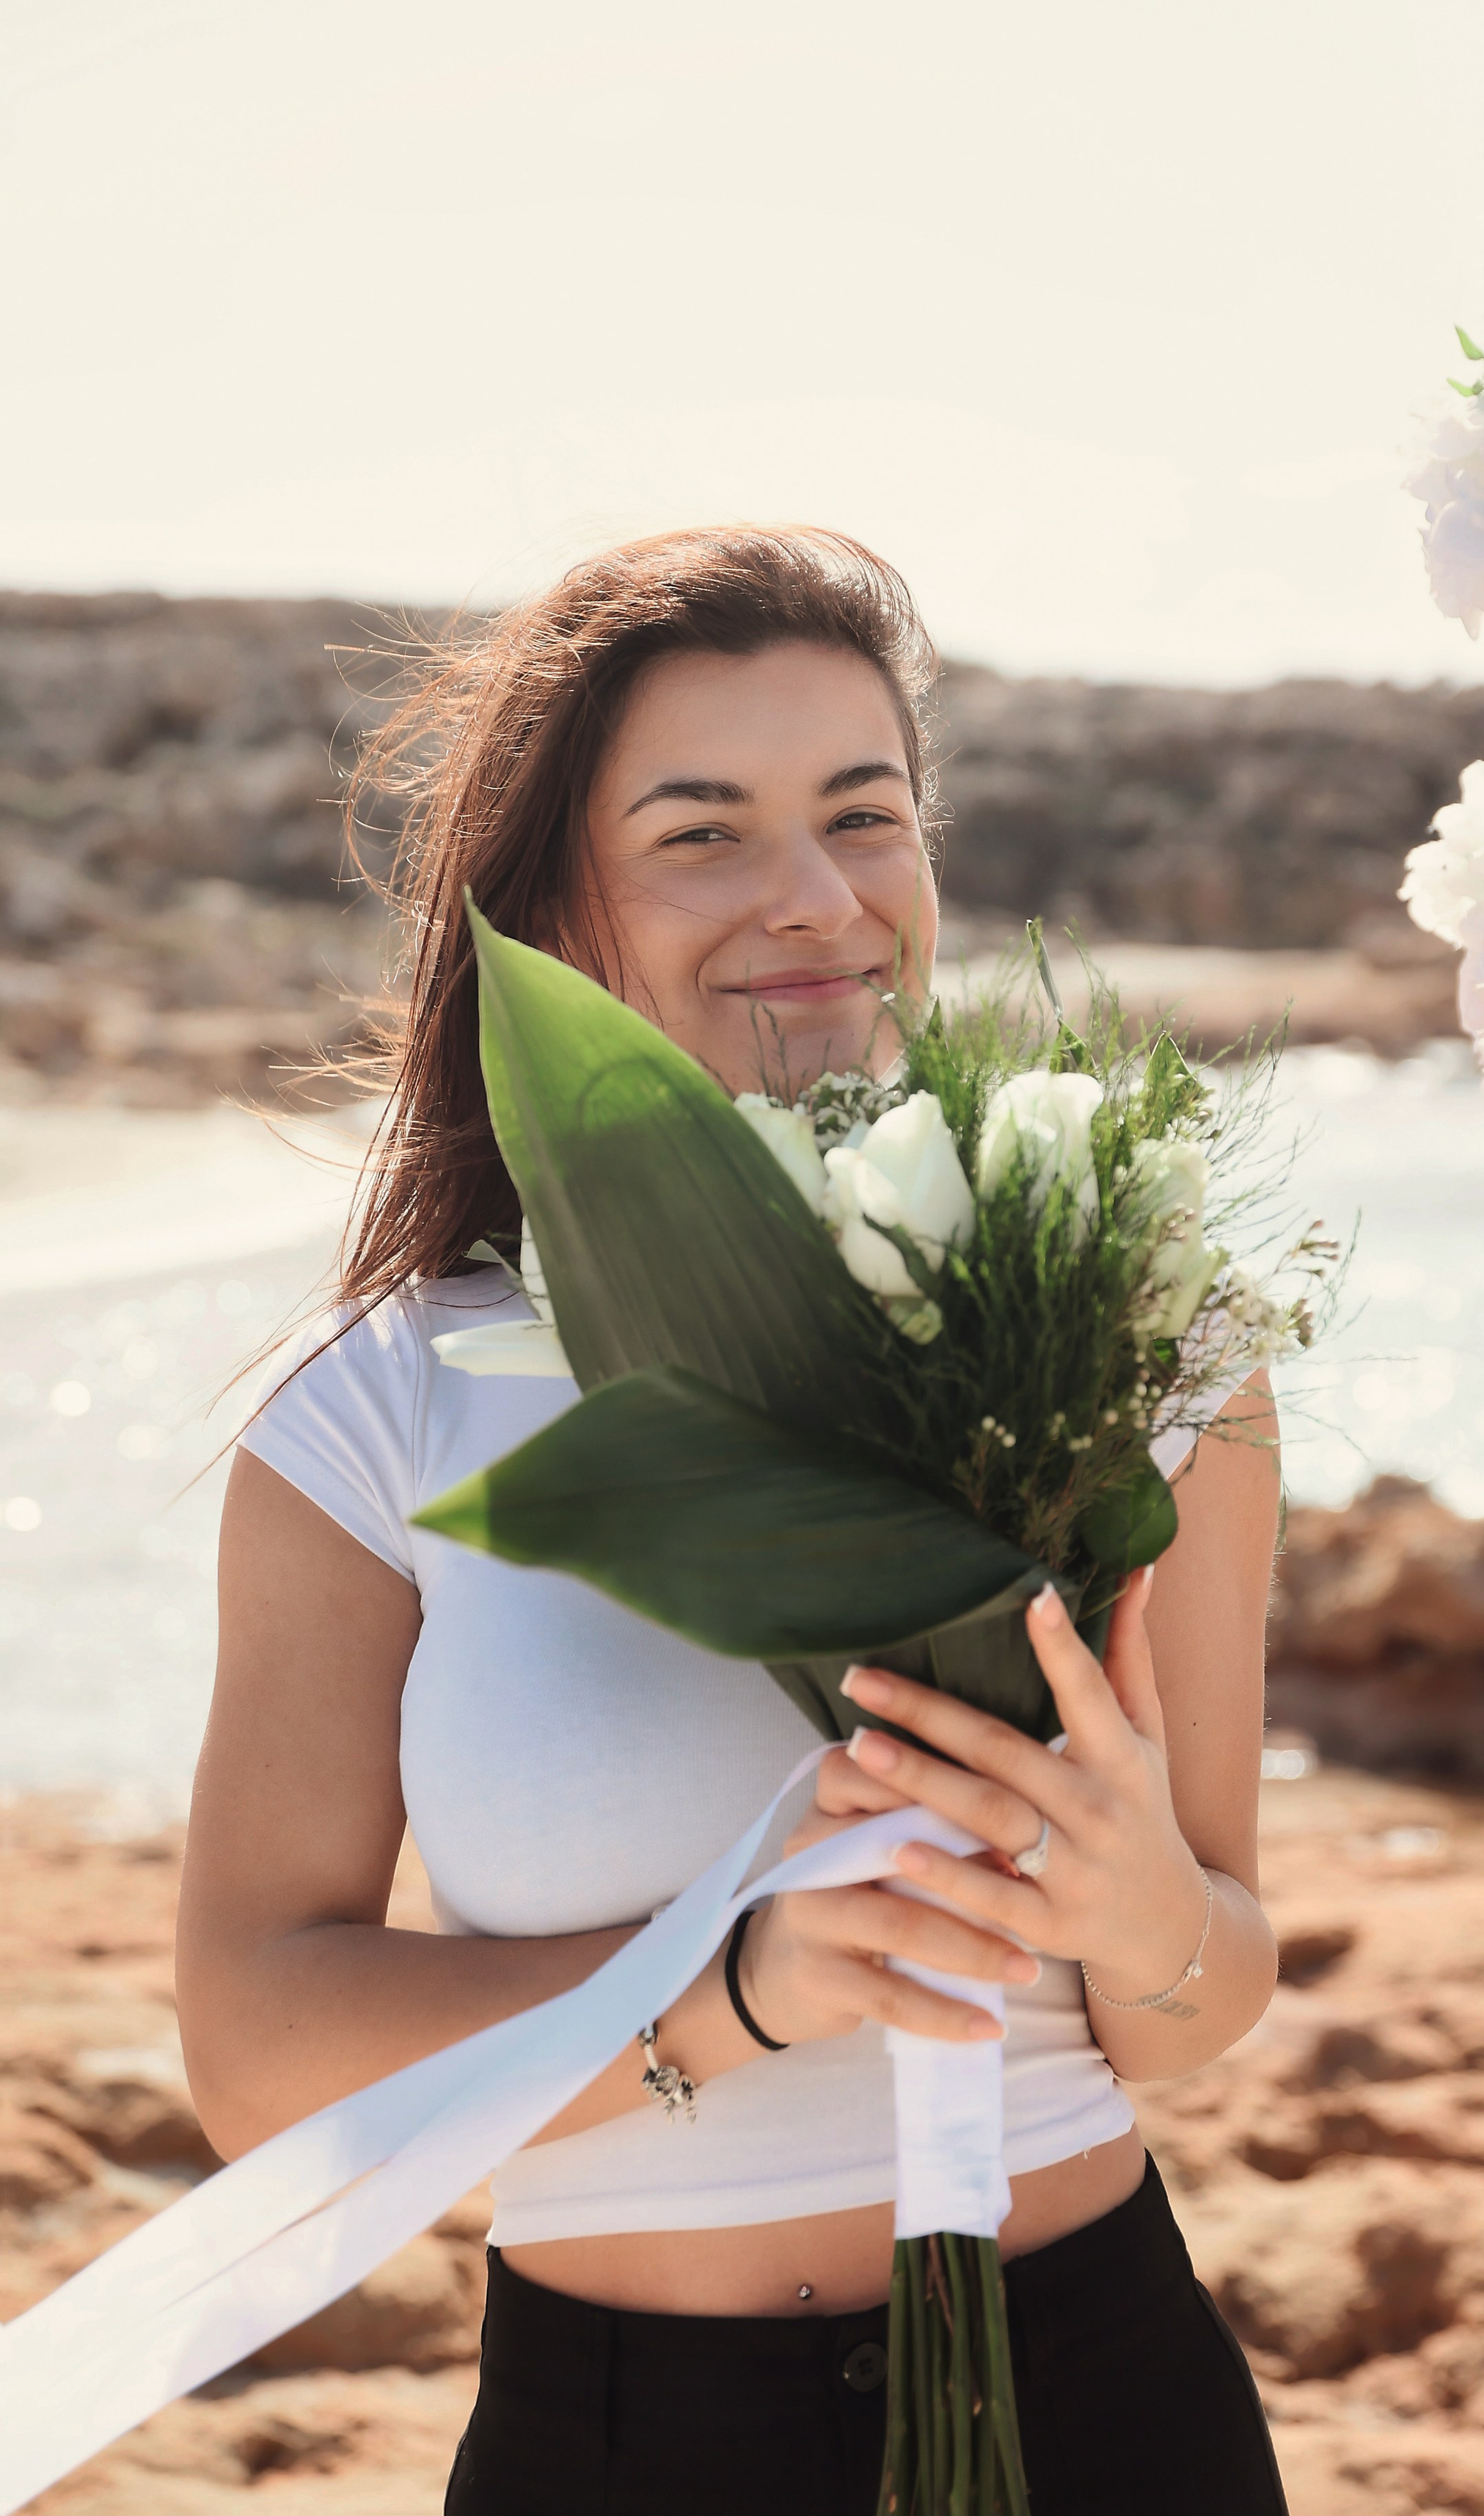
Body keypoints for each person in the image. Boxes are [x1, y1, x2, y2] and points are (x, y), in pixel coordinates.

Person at [175, 528, 1292, 2515]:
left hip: (1110, 2404)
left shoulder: (1126, 1324)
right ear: (550, 911)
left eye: (865, 815)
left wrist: (1138, 1918)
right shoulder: (386, 1414)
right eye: (704, 833)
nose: (814, 900)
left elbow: (1204, 1992)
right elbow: (258, 2051)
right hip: (622, 2449)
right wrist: (735, 1989)